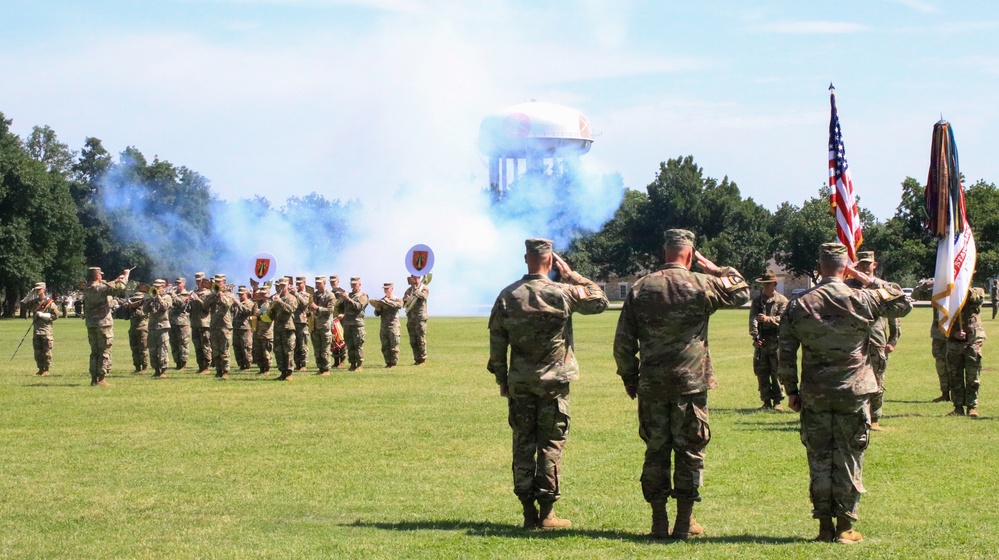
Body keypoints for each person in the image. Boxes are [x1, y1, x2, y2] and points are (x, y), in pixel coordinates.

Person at [613, 229, 749, 539]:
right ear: (689, 255)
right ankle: (685, 520)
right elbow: (741, 292)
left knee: (656, 451)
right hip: (690, 384)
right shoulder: (702, 284)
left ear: (665, 254)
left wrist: (630, 378)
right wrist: (717, 270)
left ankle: (659, 521)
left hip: (652, 385)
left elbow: (623, 342)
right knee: (690, 452)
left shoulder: (640, 288)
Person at [778, 242, 911, 544]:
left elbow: (785, 351)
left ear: (819, 267)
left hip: (815, 393)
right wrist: (867, 278)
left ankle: (824, 525)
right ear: (845, 266)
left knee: (820, 459)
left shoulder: (800, 304)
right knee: (849, 457)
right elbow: (902, 302)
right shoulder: (862, 298)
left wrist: (791, 389)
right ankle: (845, 527)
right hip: (854, 391)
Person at [488, 238, 608, 530]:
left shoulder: (508, 295)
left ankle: (528, 512)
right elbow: (599, 300)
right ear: (551, 261)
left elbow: (497, 341)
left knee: (523, 443)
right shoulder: (562, 292)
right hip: (554, 384)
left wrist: (502, 379)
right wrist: (571, 275)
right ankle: (547, 513)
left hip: (520, 383)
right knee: (550, 444)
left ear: (525, 258)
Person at [845, 251, 902, 430]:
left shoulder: (881, 286)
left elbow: (894, 314)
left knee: (877, 377)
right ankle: (855, 415)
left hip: (876, 339)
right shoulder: (847, 286)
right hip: (853, 339)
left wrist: (893, 340)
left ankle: (874, 417)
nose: (864, 266)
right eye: (860, 264)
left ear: (874, 265)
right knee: (852, 376)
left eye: (867, 263)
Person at [919, 279, 987, 417]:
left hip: (972, 340)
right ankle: (958, 407)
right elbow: (942, 317)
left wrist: (962, 287)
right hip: (952, 339)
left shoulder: (977, 291)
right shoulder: (946, 294)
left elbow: (976, 298)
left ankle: (972, 407)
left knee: (972, 375)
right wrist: (952, 333)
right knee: (955, 374)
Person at [82, 266, 130, 386]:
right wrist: (126, 275)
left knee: (94, 352)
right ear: (98, 276)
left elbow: (107, 286)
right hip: (103, 325)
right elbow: (121, 287)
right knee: (104, 352)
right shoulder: (100, 288)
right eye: (101, 275)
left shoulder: (87, 288)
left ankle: (93, 378)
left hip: (91, 324)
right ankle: (101, 379)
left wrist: (115, 280)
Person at [748, 270, 788, 411]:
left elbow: (783, 320)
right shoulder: (757, 302)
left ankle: (777, 401)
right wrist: (755, 336)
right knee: (761, 372)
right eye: (763, 284)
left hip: (776, 341)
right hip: (762, 342)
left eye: (768, 284)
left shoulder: (782, 301)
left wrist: (768, 319)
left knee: (776, 372)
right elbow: (753, 318)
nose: (765, 287)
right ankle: (766, 401)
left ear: (774, 284)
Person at [912, 279, 951, 403]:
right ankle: (945, 393)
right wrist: (925, 285)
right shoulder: (937, 290)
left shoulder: (960, 287)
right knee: (941, 363)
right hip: (939, 332)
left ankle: (958, 395)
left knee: (956, 364)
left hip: (956, 332)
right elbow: (915, 295)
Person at [203, 274, 236, 379]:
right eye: (216, 281)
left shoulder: (229, 294)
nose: (217, 283)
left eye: (219, 281)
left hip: (225, 326)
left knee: (224, 350)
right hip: (214, 326)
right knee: (215, 350)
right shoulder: (211, 295)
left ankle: (225, 371)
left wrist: (220, 294)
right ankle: (218, 370)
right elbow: (204, 307)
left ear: (224, 282)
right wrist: (212, 296)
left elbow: (227, 304)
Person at [23, 282, 58, 377]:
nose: (38, 291)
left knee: (46, 351)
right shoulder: (34, 302)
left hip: (46, 331)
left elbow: (56, 315)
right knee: (37, 351)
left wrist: (43, 315)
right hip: (37, 330)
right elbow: (23, 304)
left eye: (39, 289)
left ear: (44, 289)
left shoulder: (49, 303)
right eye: (36, 289)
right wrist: (30, 294)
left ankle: (46, 369)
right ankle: (40, 369)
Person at [268, 278, 299, 380]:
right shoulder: (275, 298)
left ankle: (289, 373)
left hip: (288, 328)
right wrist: (270, 308)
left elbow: (291, 309)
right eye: (280, 285)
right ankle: (282, 372)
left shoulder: (291, 298)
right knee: (278, 351)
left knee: (288, 351)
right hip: (277, 328)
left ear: (288, 286)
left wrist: (280, 301)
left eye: (283, 285)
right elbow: (272, 315)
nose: (281, 287)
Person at [338, 277, 369, 371]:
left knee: (358, 344)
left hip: (357, 323)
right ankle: (352, 363)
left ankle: (359, 364)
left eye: (355, 284)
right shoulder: (349, 295)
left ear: (359, 284)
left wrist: (348, 299)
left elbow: (358, 307)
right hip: (347, 323)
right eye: (352, 284)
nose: (353, 286)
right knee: (350, 345)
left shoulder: (363, 295)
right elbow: (341, 307)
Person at [144, 279, 172, 378]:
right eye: (154, 287)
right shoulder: (150, 297)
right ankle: (156, 370)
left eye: (158, 287)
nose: (155, 288)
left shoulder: (167, 297)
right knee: (152, 350)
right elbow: (145, 310)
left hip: (163, 326)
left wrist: (158, 297)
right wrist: (149, 299)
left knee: (163, 349)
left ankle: (163, 370)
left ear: (162, 287)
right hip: (152, 327)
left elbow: (165, 307)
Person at [309, 276, 336, 375]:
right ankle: (320, 368)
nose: (317, 285)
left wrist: (317, 308)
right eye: (316, 283)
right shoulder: (314, 295)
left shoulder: (330, 295)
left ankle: (326, 369)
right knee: (317, 350)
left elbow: (330, 310)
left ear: (324, 283)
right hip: (315, 326)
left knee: (325, 350)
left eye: (319, 283)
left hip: (325, 326)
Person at [373, 282, 404, 368]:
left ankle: (393, 363)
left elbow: (399, 306)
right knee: (385, 346)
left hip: (393, 325)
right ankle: (388, 362)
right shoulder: (382, 300)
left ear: (392, 289)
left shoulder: (397, 299)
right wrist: (378, 308)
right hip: (384, 325)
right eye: (384, 289)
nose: (386, 290)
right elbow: (377, 314)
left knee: (393, 345)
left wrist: (388, 302)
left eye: (387, 288)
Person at [188, 272, 213, 375]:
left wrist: (198, 300)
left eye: (200, 281)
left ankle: (206, 367)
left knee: (205, 346)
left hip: (204, 323)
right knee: (197, 346)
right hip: (194, 323)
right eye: (197, 281)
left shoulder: (209, 294)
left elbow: (207, 308)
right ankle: (200, 366)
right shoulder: (194, 292)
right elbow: (190, 309)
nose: (198, 283)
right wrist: (188, 301)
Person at [403, 274, 430, 365]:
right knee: (413, 340)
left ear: (418, 278)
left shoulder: (424, 288)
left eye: (414, 277)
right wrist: (406, 299)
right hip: (411, 317)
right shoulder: (408, 290)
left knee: (420, 338)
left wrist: (416, 290)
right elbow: (404, 303)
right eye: (412, 277)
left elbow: (424, 297)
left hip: (420, 317)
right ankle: (416, 359)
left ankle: (422, 359)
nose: (413, 279)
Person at [169, 276, 191, 370]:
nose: (177, 285)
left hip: (182, 323)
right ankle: (177, 363)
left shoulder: (186, 294)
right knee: (174, 343)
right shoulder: (172, 293)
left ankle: (183, 364)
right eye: (176, 283)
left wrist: (173, 295)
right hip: (172, 322)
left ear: (184, 283)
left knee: (183, 344)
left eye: (179, 283)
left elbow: (182, 304)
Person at [252, 287, 274, 375]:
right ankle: (261, 368)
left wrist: (260, 312)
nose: (263, 295)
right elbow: (253, 316)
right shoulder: (257, 304)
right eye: (261, 294)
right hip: (257, 331)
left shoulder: (271, 304)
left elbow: (270, 316)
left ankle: (267, 369)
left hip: (266, 332)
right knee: (258, 352)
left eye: (265, 294)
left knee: (266, 353)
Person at [233, 286, 255, 371]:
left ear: (246, 294)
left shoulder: (250, 303)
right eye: (239, 294)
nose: (240, 296)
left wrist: (238, 303)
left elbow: (248, 311)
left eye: (242, 294)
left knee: (246, 347)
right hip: (236, 327)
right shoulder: (238, 302)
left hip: (245, 328)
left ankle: (247, 364)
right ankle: (241, 364)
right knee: (237, 346)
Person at [126, 291, 149, 373]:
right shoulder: (132, 308)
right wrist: (126, 307)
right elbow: (125, 316)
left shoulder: (145, 307)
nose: (135, 300)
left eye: (137, 299)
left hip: (142, 329)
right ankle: (137, 367)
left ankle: (144, 367)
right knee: (134, 349)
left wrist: (133, 307)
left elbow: (141, 314)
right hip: (133, 329)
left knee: (143, 349)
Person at [292, 276, 311, 371]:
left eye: (300, 283)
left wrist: (296, 293)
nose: (298, 285)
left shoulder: (306, 294)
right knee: (294, 345)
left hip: (302, 322)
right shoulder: (294, 295)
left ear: (304, 283)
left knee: (303, 344)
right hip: (293, 322)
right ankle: (297, 363)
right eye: (297, 283)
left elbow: (305, 303)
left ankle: (303, 364)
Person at [329, 275, 348, 368]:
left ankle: (342, 361)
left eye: (334, 281)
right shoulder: (329, 293)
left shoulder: (343, 293)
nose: (333, 283)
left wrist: (343, 314)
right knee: (333, 340)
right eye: (331, 281)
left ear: (338, 281)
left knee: (341, 340)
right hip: (333, 319)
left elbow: (347, 306)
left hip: (341, 320)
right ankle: (336, 361)